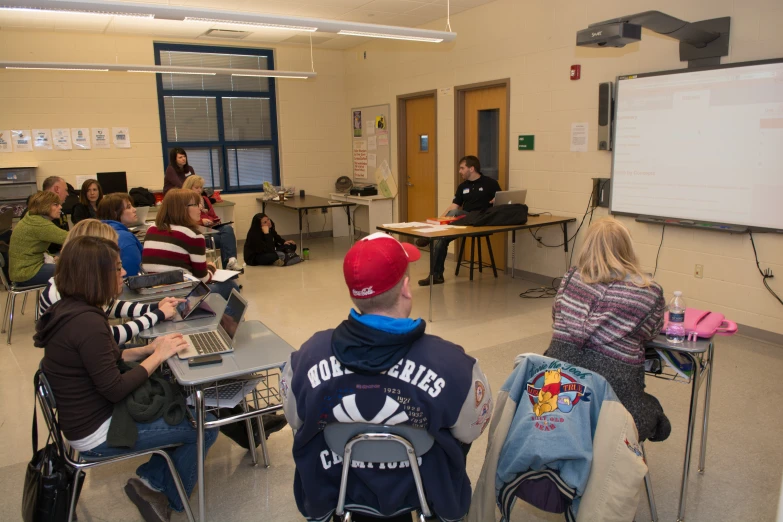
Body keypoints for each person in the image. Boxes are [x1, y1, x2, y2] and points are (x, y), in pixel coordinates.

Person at [281, 232, 492, 522]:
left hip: (340, 490)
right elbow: (471, 430)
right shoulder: (454, 365)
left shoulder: (306, 357)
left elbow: (294, 419)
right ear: (406, 288)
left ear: (353, 293)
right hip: (425, 493)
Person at [35, 236, 218, 522]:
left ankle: (151, 479)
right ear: (96, 275)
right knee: (204, 426)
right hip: (96, 431)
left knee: (180, 403)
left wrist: (146, 349)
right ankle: (159, 490)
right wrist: (158, 356)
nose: (123, 273)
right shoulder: (88, 323)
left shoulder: (69, 309)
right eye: (117, 268)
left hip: (81, 418)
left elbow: (101, 360)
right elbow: (115, 389)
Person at [544, 218, 671, 442]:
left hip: (556, 399)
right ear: (627, 248)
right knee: (656, 417)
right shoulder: (649, 292)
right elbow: (651, 333)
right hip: (615, 408)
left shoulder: (570, 279)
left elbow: (557, 315)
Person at [38, 219, 183, 346]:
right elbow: (106, 338)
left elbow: (109, 306)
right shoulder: (60, 295)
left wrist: (154, 307)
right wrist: (156, 315)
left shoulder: (79, 282)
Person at [142, 189, 239, 301]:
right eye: (196, 205)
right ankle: (224, 318)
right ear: (182, 208)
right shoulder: (193, 235)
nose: (200, 208)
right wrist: (211, 268)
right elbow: (203, 279)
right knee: (231, 286)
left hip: (155, 294)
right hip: (181, 295)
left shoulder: (152, 229)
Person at [418, 156, 500, 286]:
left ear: (471, 168)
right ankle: (436, 276)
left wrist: (496, 201)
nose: (460, 171)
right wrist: (437, 221)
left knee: (455, 214)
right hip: (464, 222)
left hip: (482, 220)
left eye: (462, 168)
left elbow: (502, 203)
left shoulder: (490, 183)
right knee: (442, 239)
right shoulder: (462, 187)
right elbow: (453, 206)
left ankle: (432, 234)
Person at [8, 191, 68, 286]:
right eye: (56, 205)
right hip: (27, 272)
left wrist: (52, 257)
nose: (60, 207)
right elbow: (70, 238)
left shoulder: (32, 218)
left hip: (21, 270)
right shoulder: (39, 224)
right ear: (45, 206)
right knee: (72, 271)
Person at [182, 175, 239, 269]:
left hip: (211, 229)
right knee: (226, 240)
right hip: (199, 233)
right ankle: (230, 267)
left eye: (201, 187)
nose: (199, 190)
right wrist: (201, 221)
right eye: (196, 188)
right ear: (189, 187)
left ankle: (231, 260)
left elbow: (214, 216)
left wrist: (211, 221)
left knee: (228, 228)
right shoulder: (185, 202)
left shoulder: (205, 199)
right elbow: (185, 221)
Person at [98, 193, 144, 277]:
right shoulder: (125, 238)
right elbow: (133, 274)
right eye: (129, 207)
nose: (134, 209)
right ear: (115, 213)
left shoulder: (99, 232)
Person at [20, 176, 70, 254]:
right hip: (43, 257)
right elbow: (65, 237)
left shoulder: (56, 211)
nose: (67, 194)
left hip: (47, 254)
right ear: (57, 189)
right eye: (66, 190)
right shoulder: (36, 216)